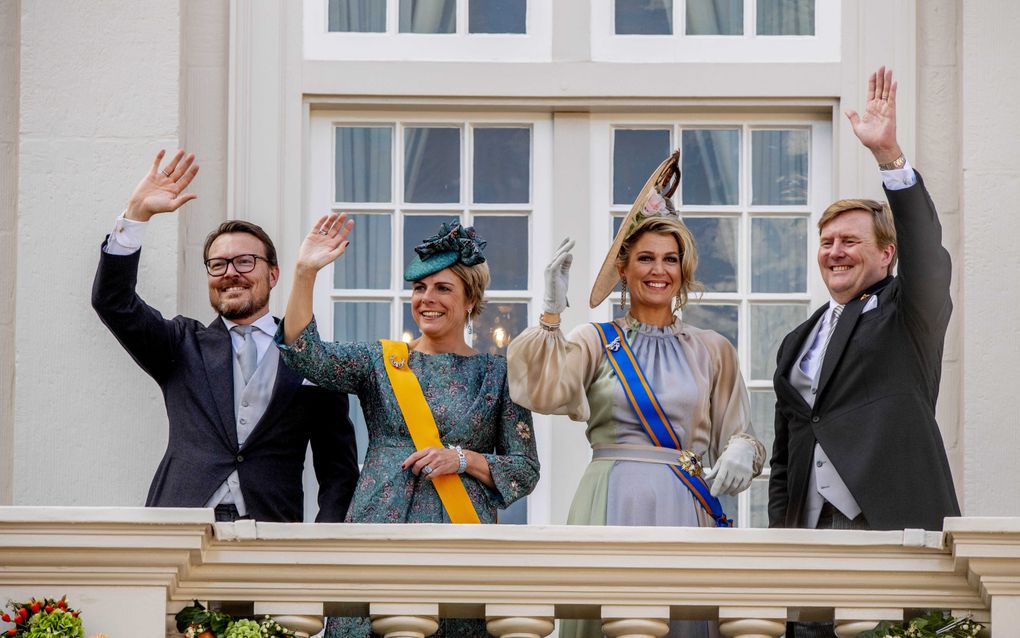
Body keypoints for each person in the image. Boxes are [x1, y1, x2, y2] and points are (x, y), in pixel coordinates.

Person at [507, 152, 765, 638]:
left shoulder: (714, 349)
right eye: (645, 258)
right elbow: (538, 389)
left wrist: (742, 448)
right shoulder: (595, 340)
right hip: (610, 499)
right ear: (624, 269)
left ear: (684, 271)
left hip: (685, 506)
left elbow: (744, 438)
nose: (658, 270)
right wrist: (549, 312)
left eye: (670, 259)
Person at [277, 214, 539, 638]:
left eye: (442, 288)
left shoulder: (499, 374)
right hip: (379, 532)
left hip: (460, 544)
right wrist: (305, 272)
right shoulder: (382, 362)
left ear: (471, 299)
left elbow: (525, 469)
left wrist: (462, 459)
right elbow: (305, 353)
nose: (426, 299)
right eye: (419, 288)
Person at [768, 67, 961, 635]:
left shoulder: (909, 312)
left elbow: (929, 253)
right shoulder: (794, 342)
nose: (834, 252)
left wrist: (890, 159)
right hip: (808, 536)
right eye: (826, 243)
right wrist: (782, 537)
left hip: (887, 522)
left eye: (850, 241)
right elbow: (787, 453)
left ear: (886, 255)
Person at [92, 149, 359, 523]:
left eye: (245, 262)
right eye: (218, 264)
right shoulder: (180, 345)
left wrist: (319, 552)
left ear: (274, 274)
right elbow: (113, 302)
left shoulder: (314, 359)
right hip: (177, 532)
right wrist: (136, 214)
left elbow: (339, 474)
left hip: (271, 539)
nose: (230, 272)